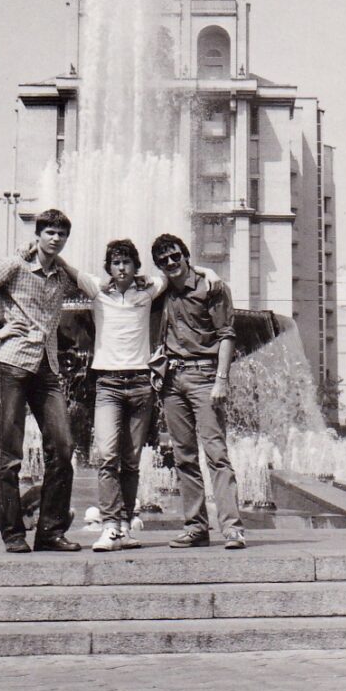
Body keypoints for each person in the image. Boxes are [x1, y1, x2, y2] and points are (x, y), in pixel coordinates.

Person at [57, 240, 220, 552]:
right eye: (116, 263)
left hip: (141, 384)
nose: (121, 268)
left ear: (135, 266)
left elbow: (178, 270)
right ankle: (109, 526)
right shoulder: (97, 289)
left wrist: (208, 271)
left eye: (127, 263)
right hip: (107, 384)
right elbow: (66, 267)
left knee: (131, 462)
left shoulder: (149, 289)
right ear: (109, 267)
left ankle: (124, 526)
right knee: (107, 456)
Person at [0, 209, 81, 553]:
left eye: (62, 234)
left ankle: (50, 532)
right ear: (37, 235)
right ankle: (13, 534)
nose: (55, 238)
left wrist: (62, 261)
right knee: (10, 454)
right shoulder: (14, 265)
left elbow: (91, 286)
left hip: (47, 368)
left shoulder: (61, 275)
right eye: (50, 232)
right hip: (12, 363)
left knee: (63, 448)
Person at [151, 233, 245, 549]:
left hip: (205, 376)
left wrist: (221, 380)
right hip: (172, 380)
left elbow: (226, 334)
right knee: (183, 456)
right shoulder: (162, 290)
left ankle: (232, 528)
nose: (171, 263)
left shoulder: (212, 287)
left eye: (175, 256)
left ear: (186, 256)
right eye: (163, 260)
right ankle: (196, 527)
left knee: (216, 454)